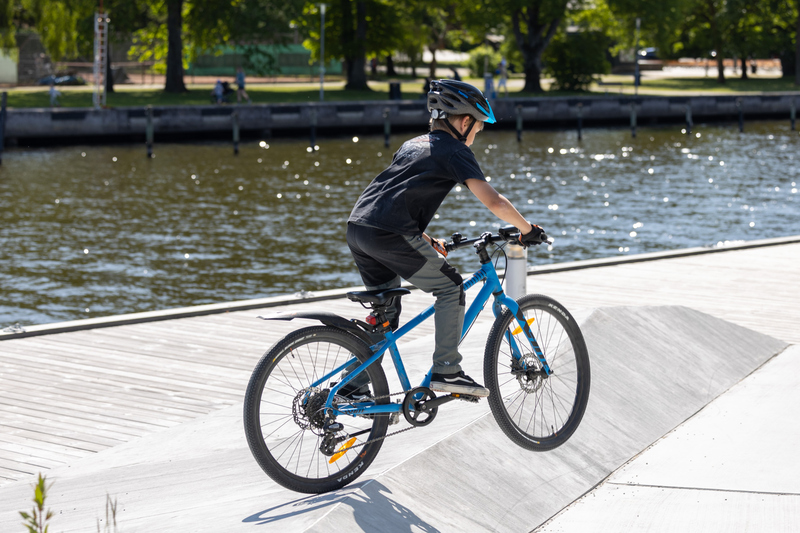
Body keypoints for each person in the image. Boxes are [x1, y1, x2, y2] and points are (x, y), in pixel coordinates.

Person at [345, 79, 545, 398]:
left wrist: (424, 237)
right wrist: (527, 229)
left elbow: (391, 198)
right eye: (478, 129)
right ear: (465, 122)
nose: (476, 135)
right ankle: (447, 370)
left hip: (359, 228)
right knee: (451, 287)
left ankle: (350, 385)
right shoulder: (454, 150)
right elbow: (494, 201)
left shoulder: (412, 145)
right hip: (389, 233)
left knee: (387, 312)